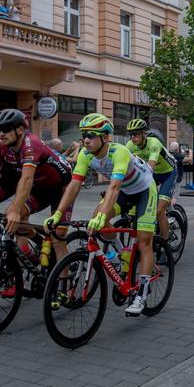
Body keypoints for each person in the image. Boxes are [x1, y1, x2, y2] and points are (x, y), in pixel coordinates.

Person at [44, 114, 157, 315]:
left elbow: (113, 187)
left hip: (144, 190)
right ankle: (116, 254)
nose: (86, 139)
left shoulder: (119, 152)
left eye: (91, 135)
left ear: (105, 137)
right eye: (84, 135)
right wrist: (58, 214)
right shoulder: (85, 155)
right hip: (124, 191)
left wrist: (102, 217)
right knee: (99, 220)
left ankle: (141, 294)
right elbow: (74, 186)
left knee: (143, 241)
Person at [0, 109, 73, 275]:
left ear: (20, 129)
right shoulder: (0, 146)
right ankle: (40, 241)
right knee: (11, 218)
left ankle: (66, 285)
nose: (1, 134)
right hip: (39, 187)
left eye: (6, 129)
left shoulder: (31, 144)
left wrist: (15, 211)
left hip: (61, 186)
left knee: (58, 236)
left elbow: (26, 179)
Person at [126, 119, 177, 239]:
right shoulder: (130, 145)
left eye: (136, 134)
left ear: (144, 134)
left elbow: (149, 168)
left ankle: (165, 242)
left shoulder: (153, 143)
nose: (133, 137)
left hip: (168, 173)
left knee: (159, 212)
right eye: (131, 134)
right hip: (153, 174)